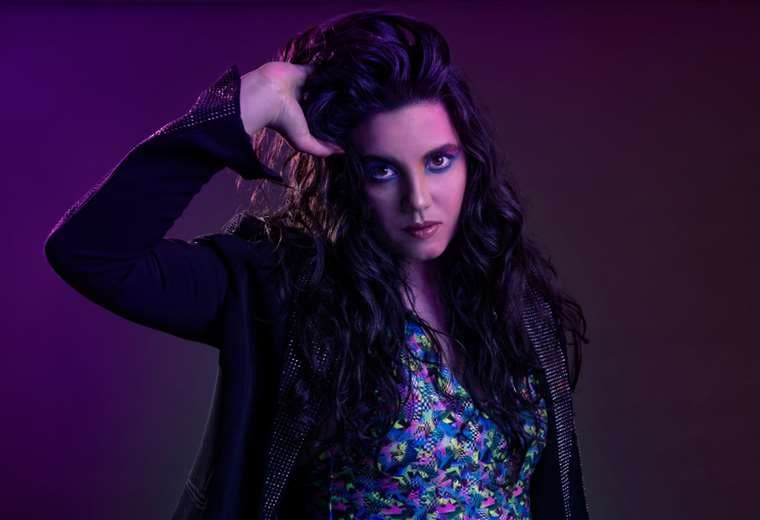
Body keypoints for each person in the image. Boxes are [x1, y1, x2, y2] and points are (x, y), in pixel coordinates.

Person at [44, 8, 590, 520]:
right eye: (382, 170)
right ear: (345, 177)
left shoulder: (513, 302)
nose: (419, 199)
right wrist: (249, 99)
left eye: (439, 161)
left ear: (471, 161)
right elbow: (91, 252)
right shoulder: (282, 292)